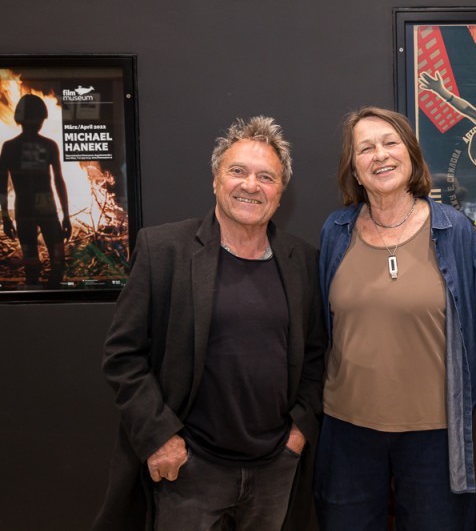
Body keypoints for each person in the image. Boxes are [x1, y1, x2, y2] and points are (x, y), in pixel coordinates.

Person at [92, 116, 327, 531]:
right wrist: (160, 437)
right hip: (188, 468)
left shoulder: (302, 261)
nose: (250, 185)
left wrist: (298, 434)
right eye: (237, 171)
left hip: (275, 468)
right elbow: (123, 355)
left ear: (280, 191)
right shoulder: (163, 250)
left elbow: (315, 357)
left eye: (266, 176)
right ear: (216, 180)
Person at [315, 106, 476, 530]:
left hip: (435, 434)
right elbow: (323, 327)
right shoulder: (335, 230)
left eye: (391, 143)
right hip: (347, 430)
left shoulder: (454, 230)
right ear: (353, 168)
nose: (380, 155)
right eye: (365, 148)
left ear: (411, 156)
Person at [0, 93, 71, 287]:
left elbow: (2, 187)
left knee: (31, 263)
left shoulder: (9, 147)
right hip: (45, 203)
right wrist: (66, 215)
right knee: (58, 262)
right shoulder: (48, 145)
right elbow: (58, 181)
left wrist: (5, 216)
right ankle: (54, 299)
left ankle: (35, 302)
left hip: (23, 206)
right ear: (41, 118)